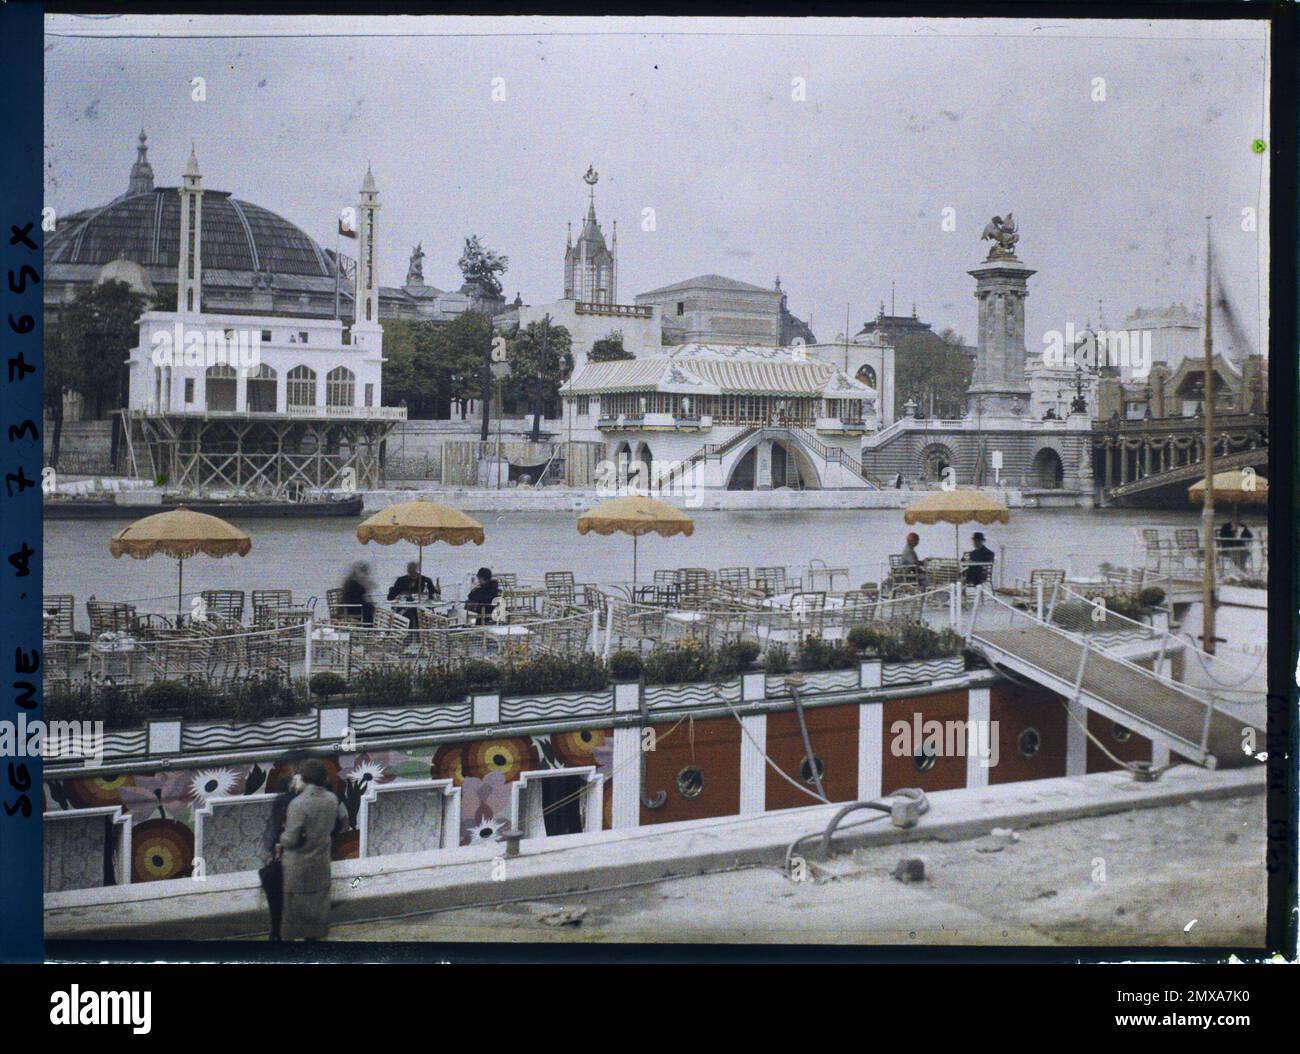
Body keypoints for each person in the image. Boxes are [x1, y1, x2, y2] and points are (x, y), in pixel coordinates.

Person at [275, 758, 349, 941]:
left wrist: (281, 839)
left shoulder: (298, 804)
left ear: (303, 778)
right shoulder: (332, 799)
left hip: (297, 868)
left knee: (292, 916)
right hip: (321, 864)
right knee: (316, 915)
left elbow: (291, 839)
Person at [387, 561, 439, 626]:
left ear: (417, 570)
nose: (412, 573)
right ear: (408, 571)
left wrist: (437, 591)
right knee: (408, 614)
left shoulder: (426, 580)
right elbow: (390, 597)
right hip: (404, 610)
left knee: (419, 614)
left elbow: (433, 596)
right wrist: (400, 595)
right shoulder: (401, 580)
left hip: (422, 610)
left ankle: (418, 632)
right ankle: (410, 632)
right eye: (410, 571)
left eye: (414, 571)